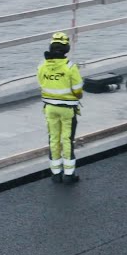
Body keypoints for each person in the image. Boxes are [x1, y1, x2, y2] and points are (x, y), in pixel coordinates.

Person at [38, 32, 84, 183]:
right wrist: (77, 96)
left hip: (49, 108)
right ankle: (69, 174)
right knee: (67, 140)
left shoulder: (42, 66)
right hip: (67, 109)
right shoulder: (70, 67)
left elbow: (41, 84)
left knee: (53, 139)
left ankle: (56, 174)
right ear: (66, 49)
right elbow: (78, 90)